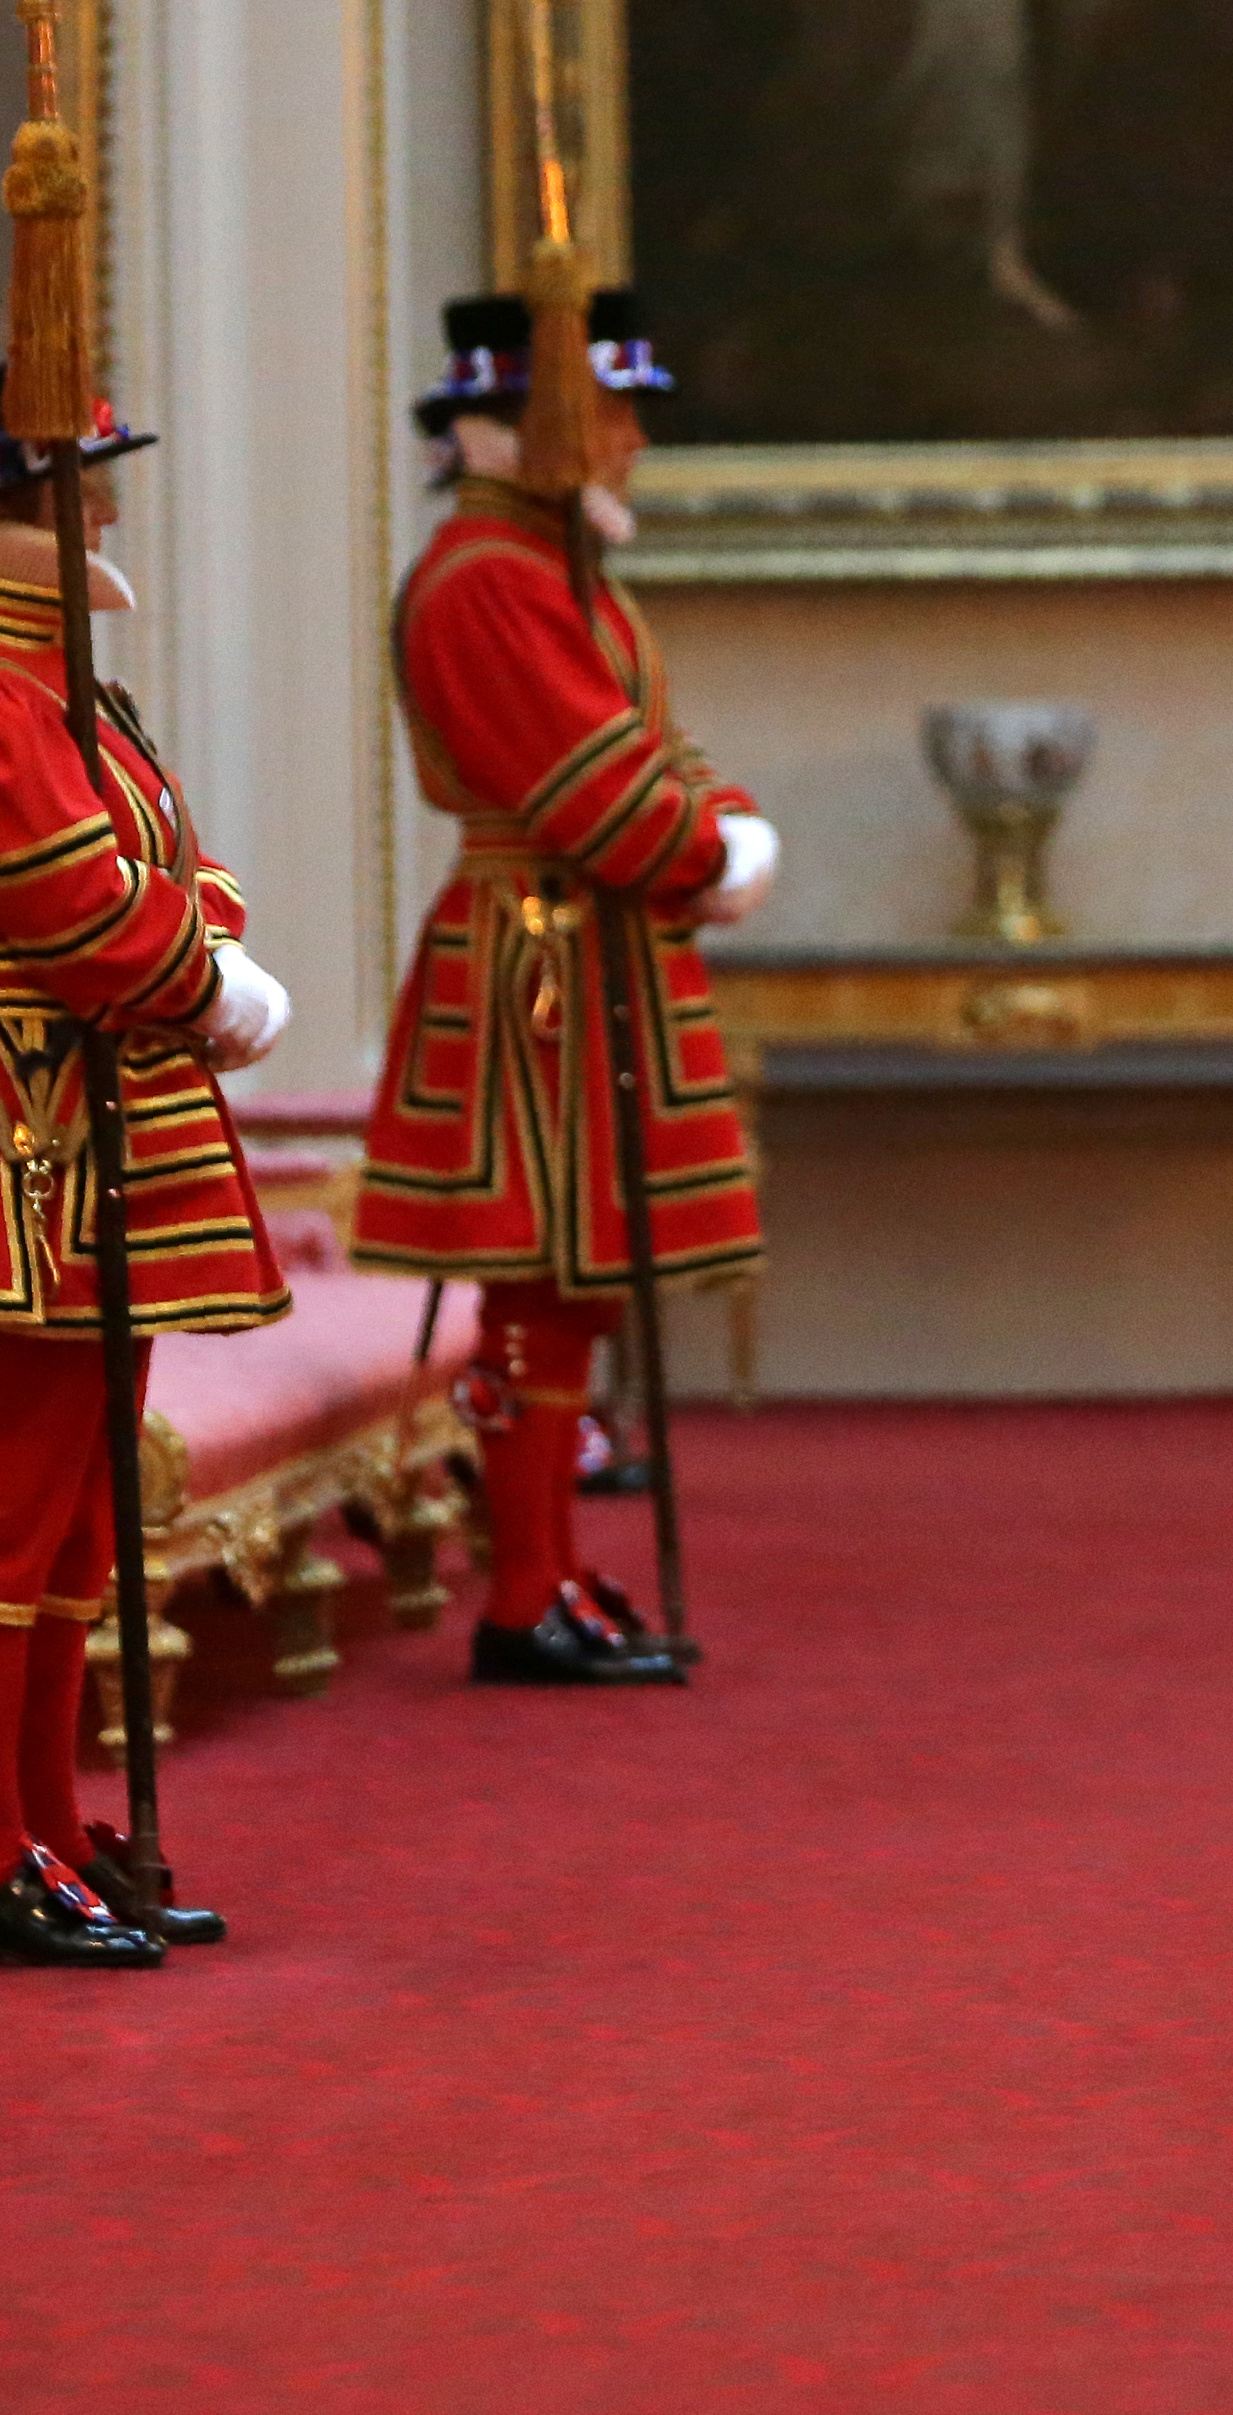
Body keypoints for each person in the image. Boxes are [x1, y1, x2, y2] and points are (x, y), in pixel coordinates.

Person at [352, 291, 780, 1688]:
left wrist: (717, 819)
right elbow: (596, 793)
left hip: (585, 945)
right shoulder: (487, 576)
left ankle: (546, 1573)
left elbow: (651, 745)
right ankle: (521, 1586)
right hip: (539, 954)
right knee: (539, 1275)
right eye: (611, 410)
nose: (635, 440)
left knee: (573, 1282)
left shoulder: (550, 568)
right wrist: (709, 846)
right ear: (534, 425)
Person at [0, 398, 291, 1963]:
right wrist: (204, 973)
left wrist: (204, 941)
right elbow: (67, 903)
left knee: (73, 1528)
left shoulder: (68, 686)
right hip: (25, 1135)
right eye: (81, 491)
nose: (105, 519)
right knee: (14, 1510)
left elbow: (167, 861)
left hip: (98, 1118)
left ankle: (43, 1818)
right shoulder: (2, 685)